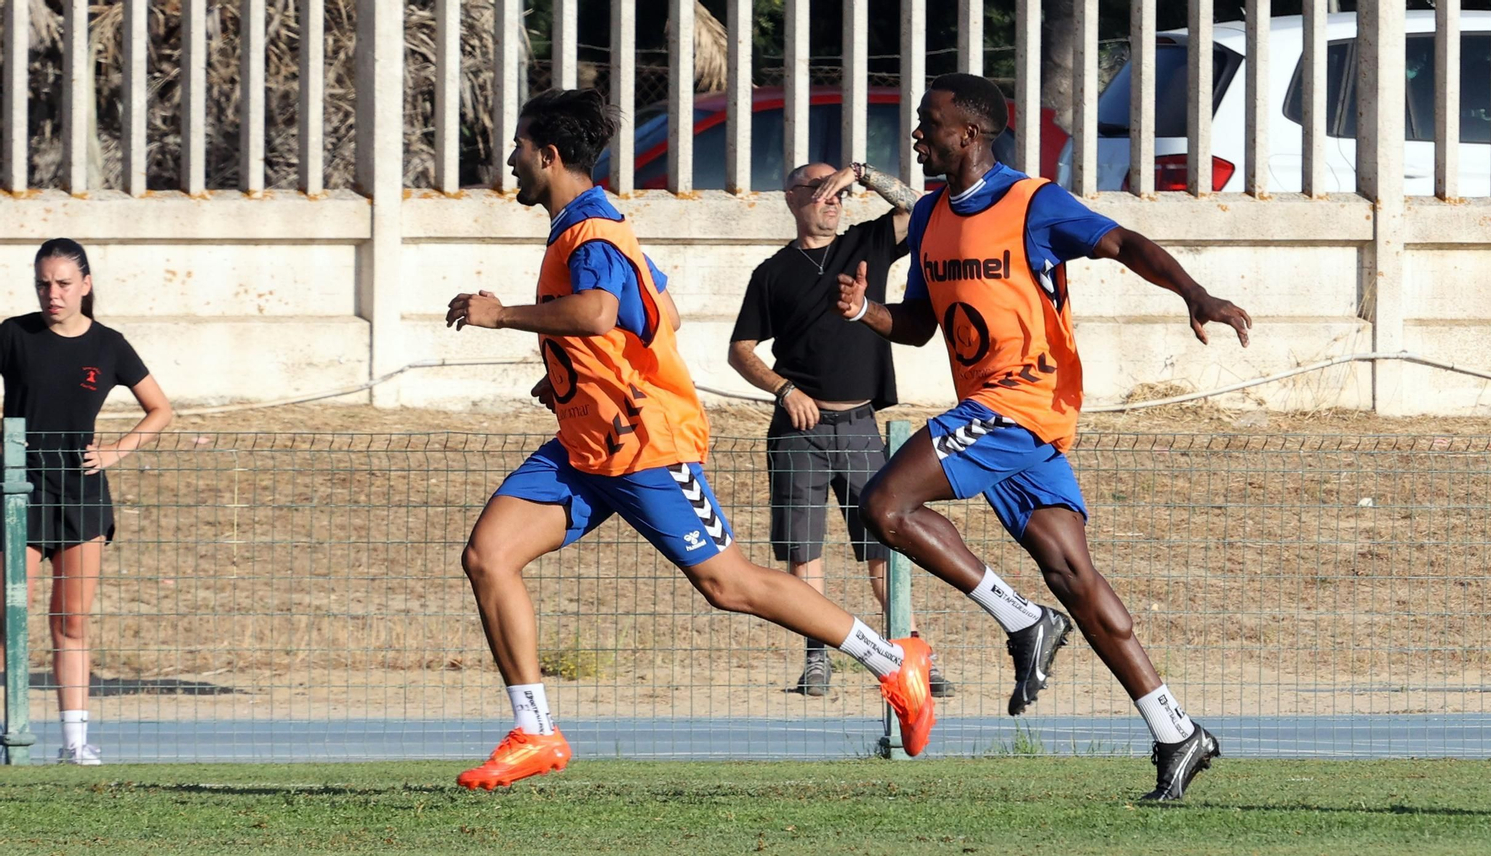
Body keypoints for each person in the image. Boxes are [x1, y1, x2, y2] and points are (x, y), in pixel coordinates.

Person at [446, 89, 936, 790]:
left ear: (549, 156)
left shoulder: (593, 232)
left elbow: (597, 311)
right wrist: (574, 376)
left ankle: (895, 663)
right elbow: (661, 313)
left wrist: (503, 317)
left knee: (729, 585)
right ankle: (535, 731)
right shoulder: (591, 227)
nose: (512, 160)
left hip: (647, 444)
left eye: (520, 148)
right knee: (488, 556)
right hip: (588, 443)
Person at [835, 73, 1253, 801]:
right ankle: (1176, 729)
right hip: (995, 417)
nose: (917, 135)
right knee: (1075, 577)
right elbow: (919, 326)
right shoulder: (930, 214)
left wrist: (1196, 294)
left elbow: (1124, 242)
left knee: (886, 507)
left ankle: (1024, 621)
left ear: (968, 134)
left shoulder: (1033, 203)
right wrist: (866, 311)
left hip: (1026, 403)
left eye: (928, 122)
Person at [729, 160, 953, 698]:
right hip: (797, 430)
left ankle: (914, 654)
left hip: (859, 426)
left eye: (838, 192)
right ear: (791, 197)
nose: (832, 200)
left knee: (885, 544)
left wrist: (863, 174)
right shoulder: (771, 273)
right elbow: (740, 352)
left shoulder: (868, 241)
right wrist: (785, 390)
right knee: (804, 551)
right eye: (820, 190)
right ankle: (815, 658)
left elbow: (918, 208)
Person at [0, 238, 173, 764]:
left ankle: (75, 745)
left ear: (86, 285)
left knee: (71, 622)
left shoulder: (109, 346)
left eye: (63, 283)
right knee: (7, 619)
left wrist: (117, 452)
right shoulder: (14, 335)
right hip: (19, 494)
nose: (52, 293)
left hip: (82, 497)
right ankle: (8, 736)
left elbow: (160, 410)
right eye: (43, 284)